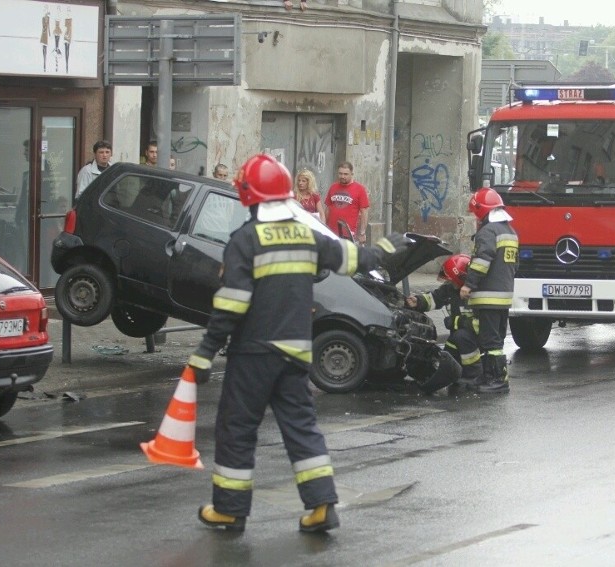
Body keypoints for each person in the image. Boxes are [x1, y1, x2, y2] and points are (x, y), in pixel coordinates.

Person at [186, 153, 409, 533]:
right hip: (295, 352)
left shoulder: (245, 240)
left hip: (254, 352)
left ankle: (229, 508)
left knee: (237, 428)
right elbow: (355, 257)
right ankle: (322, 505)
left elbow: (231, 304)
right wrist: (390, 246)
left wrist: (204, 354)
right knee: (301, 427)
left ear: (249, 196)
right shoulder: (307, 235)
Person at [460, 187, 518, 393]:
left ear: (482, 210)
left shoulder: (487, 232)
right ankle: (488, 375)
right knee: (496, 339)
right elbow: (515, 265)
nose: (475, 217)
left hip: (488, 296)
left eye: (476, 212)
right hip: (504, 296)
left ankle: (497, 380)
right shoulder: (509, 231)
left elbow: (481, 262)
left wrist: (468, 284)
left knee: (490, 341)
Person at [405, 254, 482, 389]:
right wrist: (418, 301)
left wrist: (456, 322)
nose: (449, 282)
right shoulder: (451, 289)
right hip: (458, 337)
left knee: (461, 336)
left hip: (478, 340)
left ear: (460, 277)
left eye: (451, 279)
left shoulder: (477, 293)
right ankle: (451, 374)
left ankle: (473, 375)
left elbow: (482, 325)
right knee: (448, 353)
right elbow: (434, 298)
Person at [325, 161, 369, 244]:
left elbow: (364, 212)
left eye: (345, 174)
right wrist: (323, 225)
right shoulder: (333, 187)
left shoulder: (360, 189)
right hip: (330, 232)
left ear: (352, 174)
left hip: (347, 234)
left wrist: (362, 233)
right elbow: (328, 208)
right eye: (340, 173)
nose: (342, 176)